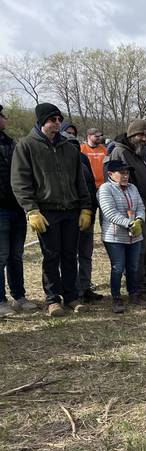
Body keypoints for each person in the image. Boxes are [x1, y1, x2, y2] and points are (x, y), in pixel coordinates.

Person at [11, 102, 92, 317]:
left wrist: (85, 207)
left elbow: (80, 181)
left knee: (69, 254)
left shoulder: (69, 147)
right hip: (46, 212)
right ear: (41, 121)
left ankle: (72, 296)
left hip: (71, 209)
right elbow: (20, 181)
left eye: (59, 120)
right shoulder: (26, 146)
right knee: (51, 256)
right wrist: (31, 210)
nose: (57, 124)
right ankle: (52, 299)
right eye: (52, 120)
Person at [111, 119, 146, 295]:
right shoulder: (119, 152)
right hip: (134, 209)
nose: (143, 138)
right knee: (139, 251)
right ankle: (137, 286)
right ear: (131, 135)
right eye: (139, 134)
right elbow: (118, 183)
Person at [97, 160, 146, 313]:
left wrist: (139, 220)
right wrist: (129, 224)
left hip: (135, 236)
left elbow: (140, 207)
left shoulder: (133, 188)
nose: (126, 176)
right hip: (114, 237)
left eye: (127, 172)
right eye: (122, 172)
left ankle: (134, 294)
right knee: (118, 267)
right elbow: (110, 212)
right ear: (111, 174)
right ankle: (116, 297)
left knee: (133, 266)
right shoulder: (105, 189)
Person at [0, 104, 36, 316]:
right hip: (0, 209)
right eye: (2, 115)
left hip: (16, 207)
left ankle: (19, 296)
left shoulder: (12, 144)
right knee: (1, 255)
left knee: (16, 255)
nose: (5, 119)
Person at [63, 132, 101, 303]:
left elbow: (90, 187)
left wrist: (90, 211)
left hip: (87, 216)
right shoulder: (60, 164)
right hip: (70, 218)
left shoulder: (83, 160)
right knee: (70, 256)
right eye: (69, 144)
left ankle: (85, 288)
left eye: (75, 144)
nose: (73, 148)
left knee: (86, 254)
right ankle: (72, 291)